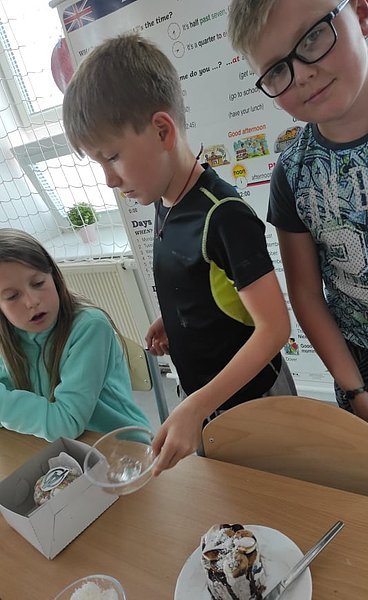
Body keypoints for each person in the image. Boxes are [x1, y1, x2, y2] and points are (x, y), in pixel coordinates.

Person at [62, 34, 296, 475]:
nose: (109, 179)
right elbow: (200, 283)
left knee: (277, 501)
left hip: (254, 404)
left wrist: (196, 406)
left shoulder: (223, 215)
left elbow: (274, 328)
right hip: (206, 403)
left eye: (112, 157)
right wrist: (174, 320)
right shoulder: (163, 201)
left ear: (162, 131)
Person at [228, 0, 368, 434]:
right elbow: (306, 293)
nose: (302, 74)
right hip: (365, 375)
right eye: (277, 70)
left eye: (312, 37)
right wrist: (355, 389)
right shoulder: (293, 173)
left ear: (361, 13)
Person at [0, 228, 151, 441]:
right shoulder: (7, 334)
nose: (32, 301)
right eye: (12, 296)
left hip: (122, 445)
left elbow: (67, 423)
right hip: (54, 447)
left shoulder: (89, 327)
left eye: (38, 283)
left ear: (54, 277)